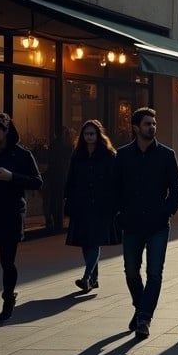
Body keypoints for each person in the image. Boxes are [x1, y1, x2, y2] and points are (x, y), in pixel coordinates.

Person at [115, 107, 178, 339]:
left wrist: (167, 211)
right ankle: (141, 306)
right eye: (147, 124)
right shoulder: (123, 155)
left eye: (153, 123)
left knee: (154, 273)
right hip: (132, 223)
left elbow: (177, 187)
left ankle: (144, 318)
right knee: (131, 272)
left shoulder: (166, 155)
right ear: (136, 127)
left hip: (157, 224)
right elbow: (114, 188)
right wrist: (119, 213)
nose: (152, 127)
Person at [0, 113, 43, 339]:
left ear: (5, 131)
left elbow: (37, 182)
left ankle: (7, 297)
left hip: (10, 216)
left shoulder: (22, 154)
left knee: (7, 263)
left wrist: (11, 177)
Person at [64, 120, 120, 293]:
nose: (89, 137)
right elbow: (71, 178)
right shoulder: (78, 154)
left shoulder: (108, 155)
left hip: (101, 206)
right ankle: (93, 280)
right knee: (85, 242)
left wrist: (115, 203)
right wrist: (68, 199)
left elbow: (115, 181)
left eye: (92, 134)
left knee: (94, 241)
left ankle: (87, 276)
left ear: (98, 135)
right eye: (86, 134)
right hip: (81, 205)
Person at [45, 126, 74, 232]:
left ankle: (55, 219)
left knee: (55, 198)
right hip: (60, 174)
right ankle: (58, 220)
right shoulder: (63, 145)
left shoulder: (55, 144)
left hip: (56, 175)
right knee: (59, 198)